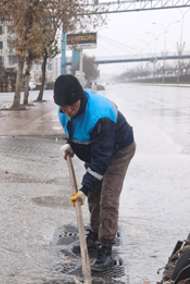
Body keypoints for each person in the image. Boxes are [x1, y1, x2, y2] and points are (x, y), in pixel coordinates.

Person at [54, 74, 135, 271]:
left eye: (72, 105)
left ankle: (106, 245)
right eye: (64, 107)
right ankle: (95, 231)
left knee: (108, 196)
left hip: (118, 150)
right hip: (95, 150)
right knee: (94, 195)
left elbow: (101, 161)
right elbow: (75, 131)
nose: (68, 110)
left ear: (80, 98)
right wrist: (71, 145)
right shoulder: (63, 111)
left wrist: (83, 188)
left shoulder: (100, 115)